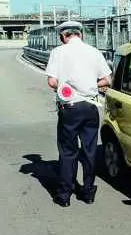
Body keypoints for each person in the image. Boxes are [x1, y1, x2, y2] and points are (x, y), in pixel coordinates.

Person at [44, 21, 112, 207]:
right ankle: (88, 192)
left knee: (68, 152)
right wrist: (89, 84)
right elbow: (107, 79)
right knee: (90, 151)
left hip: (70, 107)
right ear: (80, 34)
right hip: (91, 107)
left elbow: (51, 82)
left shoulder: (58, 52)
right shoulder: (94, 51)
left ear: (63, 36)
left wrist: (66, 88)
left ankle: (64, 195)